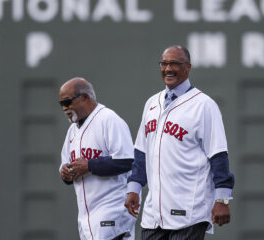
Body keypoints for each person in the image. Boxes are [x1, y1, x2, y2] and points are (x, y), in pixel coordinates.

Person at [124, 46, 235, 240]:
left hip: (189, 210)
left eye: (174, 63)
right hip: (154, 213)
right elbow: (142, 152)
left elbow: (218, 154)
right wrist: (134, 189)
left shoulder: (204, 105)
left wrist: (222, 198)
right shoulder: (151, 103)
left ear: (188, 67)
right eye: (164, 63)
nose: (168, 69)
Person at [59, 77, 136, 240]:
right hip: (87, 216)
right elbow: (65, 165)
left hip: (112, 208)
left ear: (84, 98)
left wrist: (89, 165)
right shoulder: (72, 131)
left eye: (67, 102)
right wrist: (65, 172)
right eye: (61, 104)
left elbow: (127, 160)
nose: (64, 108)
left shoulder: (108, 119)